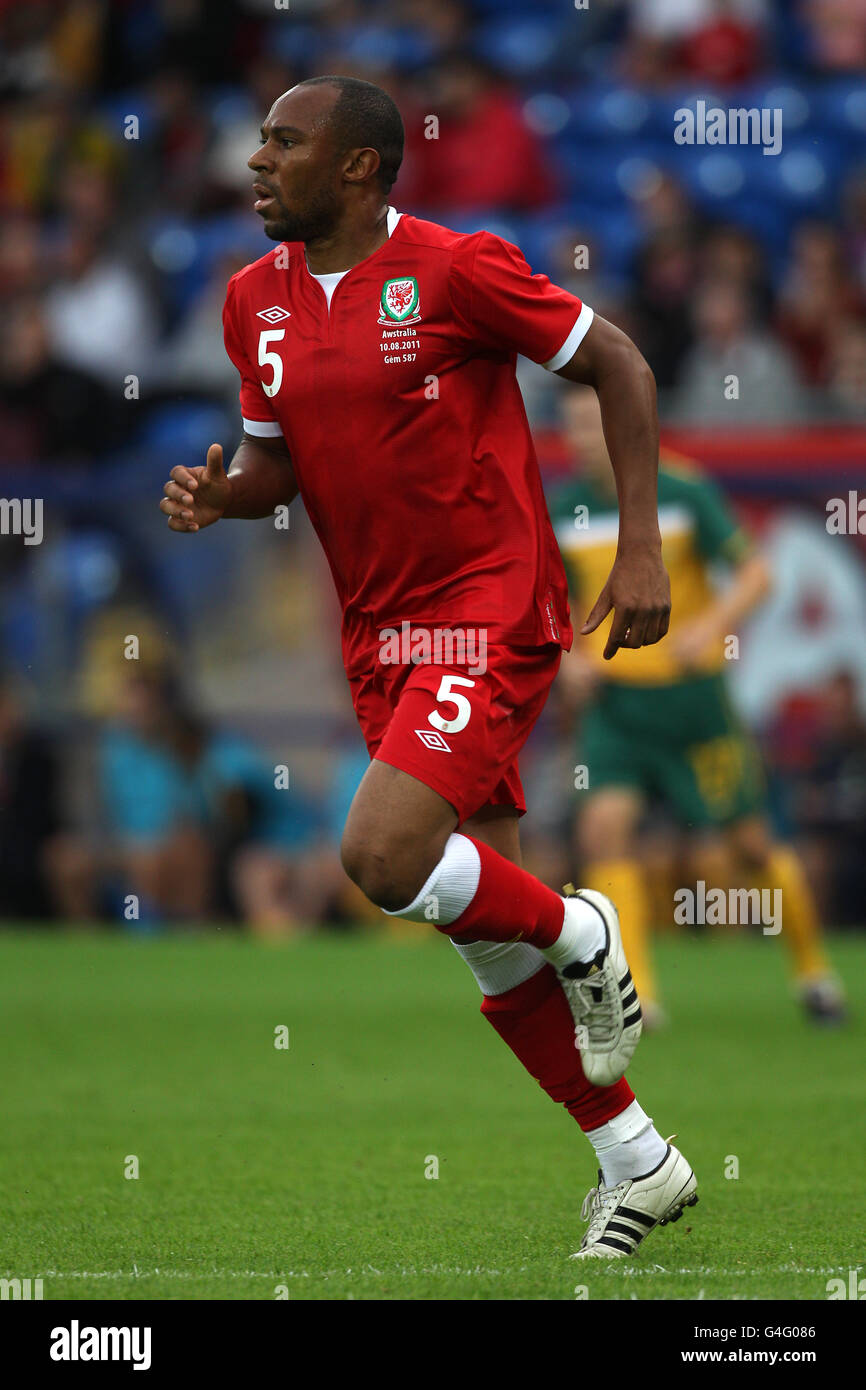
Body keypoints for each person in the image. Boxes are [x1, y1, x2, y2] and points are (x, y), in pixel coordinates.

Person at [159, 76, 696, 1259]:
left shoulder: (457, 268)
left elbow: (620, 365)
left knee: (381, 855)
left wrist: (643, 547)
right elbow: (274, 466)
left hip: (486, 605)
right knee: (480, 932)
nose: (254, 162)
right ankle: (637, 1162)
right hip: (378, 631)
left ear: (357, 167)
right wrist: (220, 498)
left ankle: (585, 929)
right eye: (255, 141)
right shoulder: (254, 299)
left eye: (283, 144)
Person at [550, 382, 846, 1025]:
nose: (575, 441)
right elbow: (562, 612)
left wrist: (712, 627)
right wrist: (570, 660)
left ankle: (814, 974)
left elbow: (757, 575)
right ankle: (639, 997)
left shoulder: (681, 493)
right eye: (568, 427)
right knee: (603, 832)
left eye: (587, 426)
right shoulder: (564, 511)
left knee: (750, 846)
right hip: (618, 708)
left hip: (694, 704)